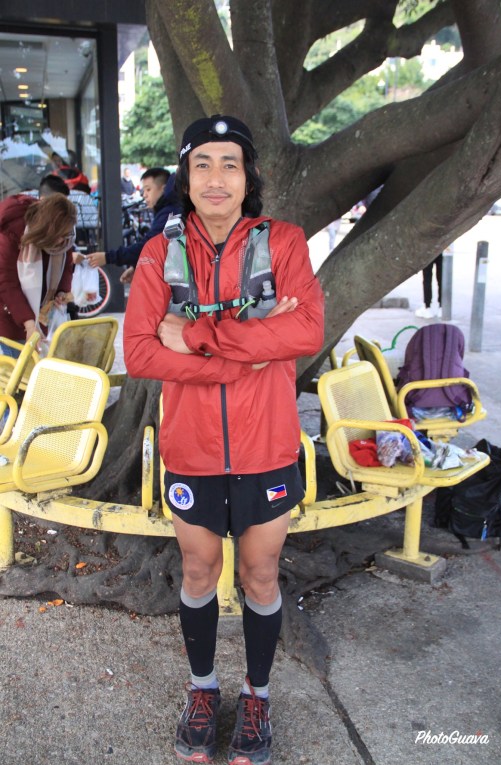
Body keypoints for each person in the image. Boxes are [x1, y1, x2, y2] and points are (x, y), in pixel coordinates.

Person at [123, 115, 324, 765]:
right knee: (199, 569)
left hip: (268, 446)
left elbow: (305, 331)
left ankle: (257, 695)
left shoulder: (283, 242)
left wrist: (197, 337)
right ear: (186, 177)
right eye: (202, 163)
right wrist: (248, 353)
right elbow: (140, 352)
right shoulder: (159, 254)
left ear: (248, 176)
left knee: (260, 574)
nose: (216, 177)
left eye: (229, 163)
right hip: (192, 448)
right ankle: (203, 688)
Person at [0, 193, 76, 351]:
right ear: (45, 228)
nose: (61, 241)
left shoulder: (65, 237)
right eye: (58, 236)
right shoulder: (10, 233)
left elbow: (67, 266)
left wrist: (62, 291)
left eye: (66, 235)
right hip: (8, 315)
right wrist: (29, 324)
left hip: (43, 315)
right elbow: (6, 283)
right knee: (16, 364)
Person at [87, 167, 181, 282]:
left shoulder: (170, 213)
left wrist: (108, 257)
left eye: (148, 189)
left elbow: (150, 245)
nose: (144, 195)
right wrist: (135, 266)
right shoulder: (168, 210)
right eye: (143, 190)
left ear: (164, 189)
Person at [415, 252, 443, 319]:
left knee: (427, 278)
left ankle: (427, 307)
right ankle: (441, 307)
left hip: (428, 251)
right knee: (442, 278)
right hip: (441, 250)